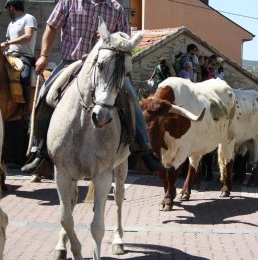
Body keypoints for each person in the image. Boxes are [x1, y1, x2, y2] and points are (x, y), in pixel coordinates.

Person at [21, 0, 163, 173]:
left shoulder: (116, 8)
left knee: (131, 96)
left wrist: (110, 41)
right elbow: (51, 27)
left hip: (105, 69)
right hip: (71, 62)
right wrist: (43, 55)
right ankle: (40, 150)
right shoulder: (69, 3)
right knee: (46, 94)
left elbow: (125, 41)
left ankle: (144, 149)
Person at [1, 0, 37, 115]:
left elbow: (28, 37)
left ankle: (26, 109)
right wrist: (4, 50)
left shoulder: (28, 18)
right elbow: (9, 43)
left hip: (24, 57)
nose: (8, 12)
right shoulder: (11, 24)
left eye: (8, 9)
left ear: (11, 7)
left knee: (24, 75)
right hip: (10, 56)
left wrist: (8, 43)